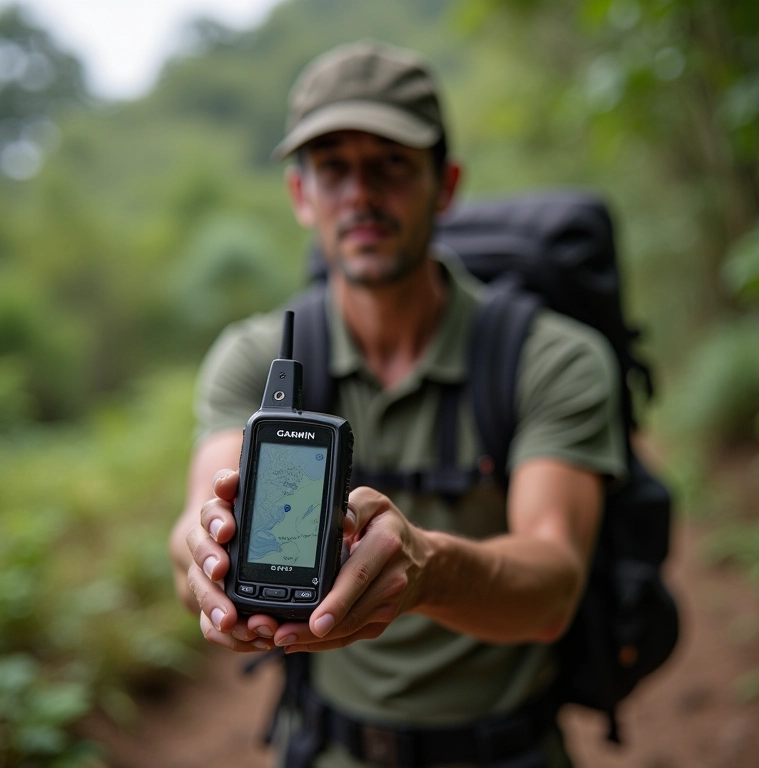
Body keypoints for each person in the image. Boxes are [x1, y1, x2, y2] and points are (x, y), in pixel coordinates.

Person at [169, 40, 626, 768]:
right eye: (333, 168)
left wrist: (430, 569)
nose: (360, 193)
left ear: (444, 186)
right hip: (328, 747)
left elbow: (553, 584)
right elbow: (194, 521)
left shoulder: (552, 358)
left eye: (390, 164)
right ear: (300, 194)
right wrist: (205, 556)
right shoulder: (254, 358)